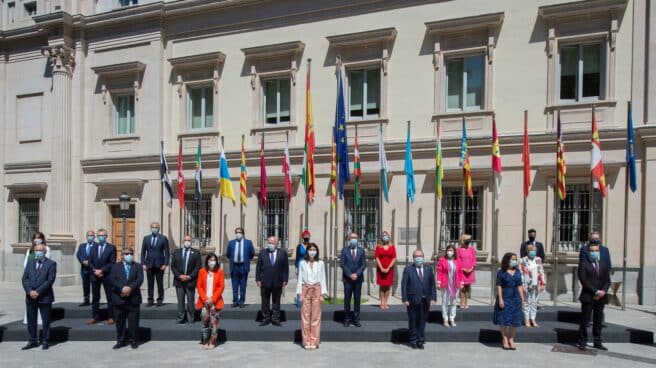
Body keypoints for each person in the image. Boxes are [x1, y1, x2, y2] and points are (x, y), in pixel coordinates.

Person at [21, 239, 57, 350]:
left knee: (46, 320)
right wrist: (29, 291)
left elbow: (50, 280)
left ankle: (46, 340)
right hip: (30, 296)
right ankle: (32, 340)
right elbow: (24, 278)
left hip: (44, 297)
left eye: (40, 250)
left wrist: (38, 292)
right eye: (36, 250)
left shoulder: (51, 264)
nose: (38, 252)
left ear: (45, 252)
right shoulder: (30, 262)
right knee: (31, 320)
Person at [577, 242, 611, 351]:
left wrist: (603, 291)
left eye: (596, 251)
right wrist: (595, 291)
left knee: (598, 321)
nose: (594, 253)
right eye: (592, 251)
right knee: (585, 321)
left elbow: (607, 280)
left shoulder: (603, 264)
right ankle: (582, 342)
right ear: (588, 252)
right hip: (588, 296)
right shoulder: (583, 264)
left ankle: (597, 341)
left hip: (601, 297)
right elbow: (584, 280)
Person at [109, 249, 143, 350]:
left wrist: (130, 288)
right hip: (119, 298)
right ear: (122, 255)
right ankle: (121, 340)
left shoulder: (137, 266)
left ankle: (133, 340)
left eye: (131, 254)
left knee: (133, 322)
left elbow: (139, 279)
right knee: (120, 322)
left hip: (133, 298)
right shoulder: (115, 266)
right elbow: (112, 279)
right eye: (127, 254)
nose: (129, 255)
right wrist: (122, 288)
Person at [401, 249, 436, 349]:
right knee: (413, 320)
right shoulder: (408, 269)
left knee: (422, 321)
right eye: (416, 256)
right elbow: (404, 285)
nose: (418, 258)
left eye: (420, 256)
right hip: (412, 300)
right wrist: (405, 299)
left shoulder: (428, 269)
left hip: (425, 300)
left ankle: (420, 340)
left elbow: (432, 284)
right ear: (413, 258)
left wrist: (433, 297)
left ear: (423, 257)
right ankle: (413, 340)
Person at [296, 243, 328, 350]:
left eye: (314, 249)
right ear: (307, 251)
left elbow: (323, 278)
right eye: (310, 249)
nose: (312, 251)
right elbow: (300, 279)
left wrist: (323, 294)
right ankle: (306, 341)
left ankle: (314, 340)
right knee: (305, 317)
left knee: (316, 317)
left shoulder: (321, 263)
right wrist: (299, 294)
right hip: (305, 289)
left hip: (316, 289)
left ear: (317, 251)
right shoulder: (302, 263)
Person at [493, 252, 525, 350]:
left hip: (515, 298)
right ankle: (504, 339)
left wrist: (522, 299)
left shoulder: (518, 272)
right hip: (505, 297)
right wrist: (501, 299)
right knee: (503, 319)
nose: (514, 261)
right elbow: (499, 286)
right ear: (507, 260)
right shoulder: (501, 272)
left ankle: (511, 338)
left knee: (514, 320)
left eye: (515, 259)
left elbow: (519, 285)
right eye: (512, 259)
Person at [255, 236, 289, 326]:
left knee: (276, 302)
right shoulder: (262, 252)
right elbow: (258, 267)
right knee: (265, 301)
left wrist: (285, 279)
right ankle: (265, 318)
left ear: (277, 243)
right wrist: (257, 279)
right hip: (265, 281)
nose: (269, 244)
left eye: (272, 243)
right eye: (268, 242)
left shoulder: (283, 253)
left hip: (278, 281)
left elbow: (286, 267)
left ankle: (275, 319)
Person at [196, 253, 225, 349]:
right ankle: (205, 339)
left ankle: (212, 340)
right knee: (205, 321)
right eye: (210, 260)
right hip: (204, 302)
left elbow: (221, 287)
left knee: (214, 322)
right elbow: (199, 286)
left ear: (216, 261)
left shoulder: (220, 272)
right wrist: (205, 299)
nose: (212, 262)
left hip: (215, 302)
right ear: (207, 261)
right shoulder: (202, 271)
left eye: (214, 260)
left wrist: (212, 299)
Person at [22, 232, 52, 325]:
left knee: (41, 300)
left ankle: (40, 320)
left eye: (39, 238)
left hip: (41, 278)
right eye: (35, 238)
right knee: (30, 300)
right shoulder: (29, 250)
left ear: (42, 239)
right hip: (31, 278)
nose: (37, 239)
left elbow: (46, 263)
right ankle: (28, 319)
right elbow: (26, 263)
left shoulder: (46, 249)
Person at [88, 228, 116, 325]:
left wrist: (102, 270)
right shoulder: (93, 247)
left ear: (106, 236)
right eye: (99, 235)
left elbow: (112, 262)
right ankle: (95, 317)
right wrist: (94, 270)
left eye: (103, 235)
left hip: (107, 276)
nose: (101, 237)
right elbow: (90, 261)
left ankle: (111, 316)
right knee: (95, 297)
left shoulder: (111, 248)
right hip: (95, 275)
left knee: (110, 297)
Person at [171, 234, 201, 324]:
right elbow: (173, 266)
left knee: (190, 300)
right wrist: (179, 276)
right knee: (180, 301)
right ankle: (181, 318)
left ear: (191, 242)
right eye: (185, 240)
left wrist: (189, 276)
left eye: (189, 240)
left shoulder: (196, 252)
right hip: (179, 281)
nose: (187, 242)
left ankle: (190, 318)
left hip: (190, 281)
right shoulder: (176, 252)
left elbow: (198, 266)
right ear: (183, 242)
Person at [141, 222, 170, 307]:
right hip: (149, 264)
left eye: (156, 227)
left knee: (160, 283)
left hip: (159, 265)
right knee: (150, 284)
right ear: (151, 228)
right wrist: (143, 263)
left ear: (159, 229)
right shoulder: (146, 238)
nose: (154, 229)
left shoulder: (163, 238)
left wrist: (165, 264)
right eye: (153, 227)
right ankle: (150, 300)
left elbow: (167, 252)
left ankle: (160, 300)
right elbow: (143, 252)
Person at [340, 232, 366, 327]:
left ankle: (356, 319)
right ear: (349, 239)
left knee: (357, 299)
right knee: (347, 299)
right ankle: (347, 318)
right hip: (347, 279)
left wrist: (357, 274)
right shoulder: (344, 250)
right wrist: (350, 274)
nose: (353, 239)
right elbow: (342, 264)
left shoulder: (361, 251)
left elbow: (363, 265)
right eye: (352, 238)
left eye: (355, 238)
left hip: (358, 279)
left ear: (358, 239)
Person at [225, 227, 255, 308]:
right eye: (237, 232)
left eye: (240, 232)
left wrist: (246, 260)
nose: (238, 234)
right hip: (234, 266)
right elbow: (228, 254)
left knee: (243, 285)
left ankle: (241, 301)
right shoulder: (231, 243)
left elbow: (252, 253)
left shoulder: (248, 243)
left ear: (243, 233)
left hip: (243, 266)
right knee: (234, 285)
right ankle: (235, 301)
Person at [437, 244, 463, 327]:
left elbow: (460, 272)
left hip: (455, 285)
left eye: (451, 250)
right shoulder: (442, 260)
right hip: (445, 284)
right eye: (448, 250)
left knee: (454, 302)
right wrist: (438, 282)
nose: (449, 252)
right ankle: (445, 319)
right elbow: (439, 271)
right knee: (445, 302)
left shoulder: (458, 261)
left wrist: (461, 283)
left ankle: (452, 318)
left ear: (454, 252)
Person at [520, 244, 546, 327]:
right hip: (527, 284)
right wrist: (522, 285)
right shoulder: (523, 260)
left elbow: (541, 271)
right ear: (527, 251)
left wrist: (543, 283)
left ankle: (533, 319)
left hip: (536, 283)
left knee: (534, 302)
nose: (533, 252)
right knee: (527, 302)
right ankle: (527, 320)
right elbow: (521, 274)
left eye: (534, 250)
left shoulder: (538, 259)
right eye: (531, 250)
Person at [375, 231, 396, 309]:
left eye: (386, 236)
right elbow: (377, 257)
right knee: (382, 286)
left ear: (389, 237)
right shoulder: (378, 247)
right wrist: (381, 268)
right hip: (380, 269)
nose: (385, 237)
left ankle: (386, 302)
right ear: (381, 238)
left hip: (389, 270)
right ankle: (382, 302)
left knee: (387, 286)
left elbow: (394, 258)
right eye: (383, 236)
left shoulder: (392, 247)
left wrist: (388, 268)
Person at [76, 230, 95, 307]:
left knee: (94, 286)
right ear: (86, 237)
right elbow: (78, 254)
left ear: (94, 237)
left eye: (91, 235)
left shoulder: (97, 246)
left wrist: (89, 262)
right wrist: (82, 261)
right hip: (84, 269)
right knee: (85, 285)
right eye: (88, 235)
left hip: (93, 269)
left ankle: (95, 300)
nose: (90, 237)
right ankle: (86, 300)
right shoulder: (82, 246)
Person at [457, 234, 477, 309]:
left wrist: (471, 268)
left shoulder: (471, 249)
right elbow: (457, 261)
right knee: (462, 288)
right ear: (462, 240)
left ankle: (466, 302)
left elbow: (474, 260)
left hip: (470, 272)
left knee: (468, 288)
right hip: (462, 271)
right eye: (466, 239)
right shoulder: (458, 250)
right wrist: (463, 268)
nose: (468, 241)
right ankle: (461, 302)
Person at [294, 229, 311, 308]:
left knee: (308, 284)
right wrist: (296, 268)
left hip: (309, 266)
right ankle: (299, 302)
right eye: (305, 236)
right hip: (300, 266)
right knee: (300, 284)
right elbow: (297, 257)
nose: (306, 237)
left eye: (308, 236)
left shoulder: (311, 246)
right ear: (302, 237)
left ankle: (307, 302)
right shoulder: (299, 246)